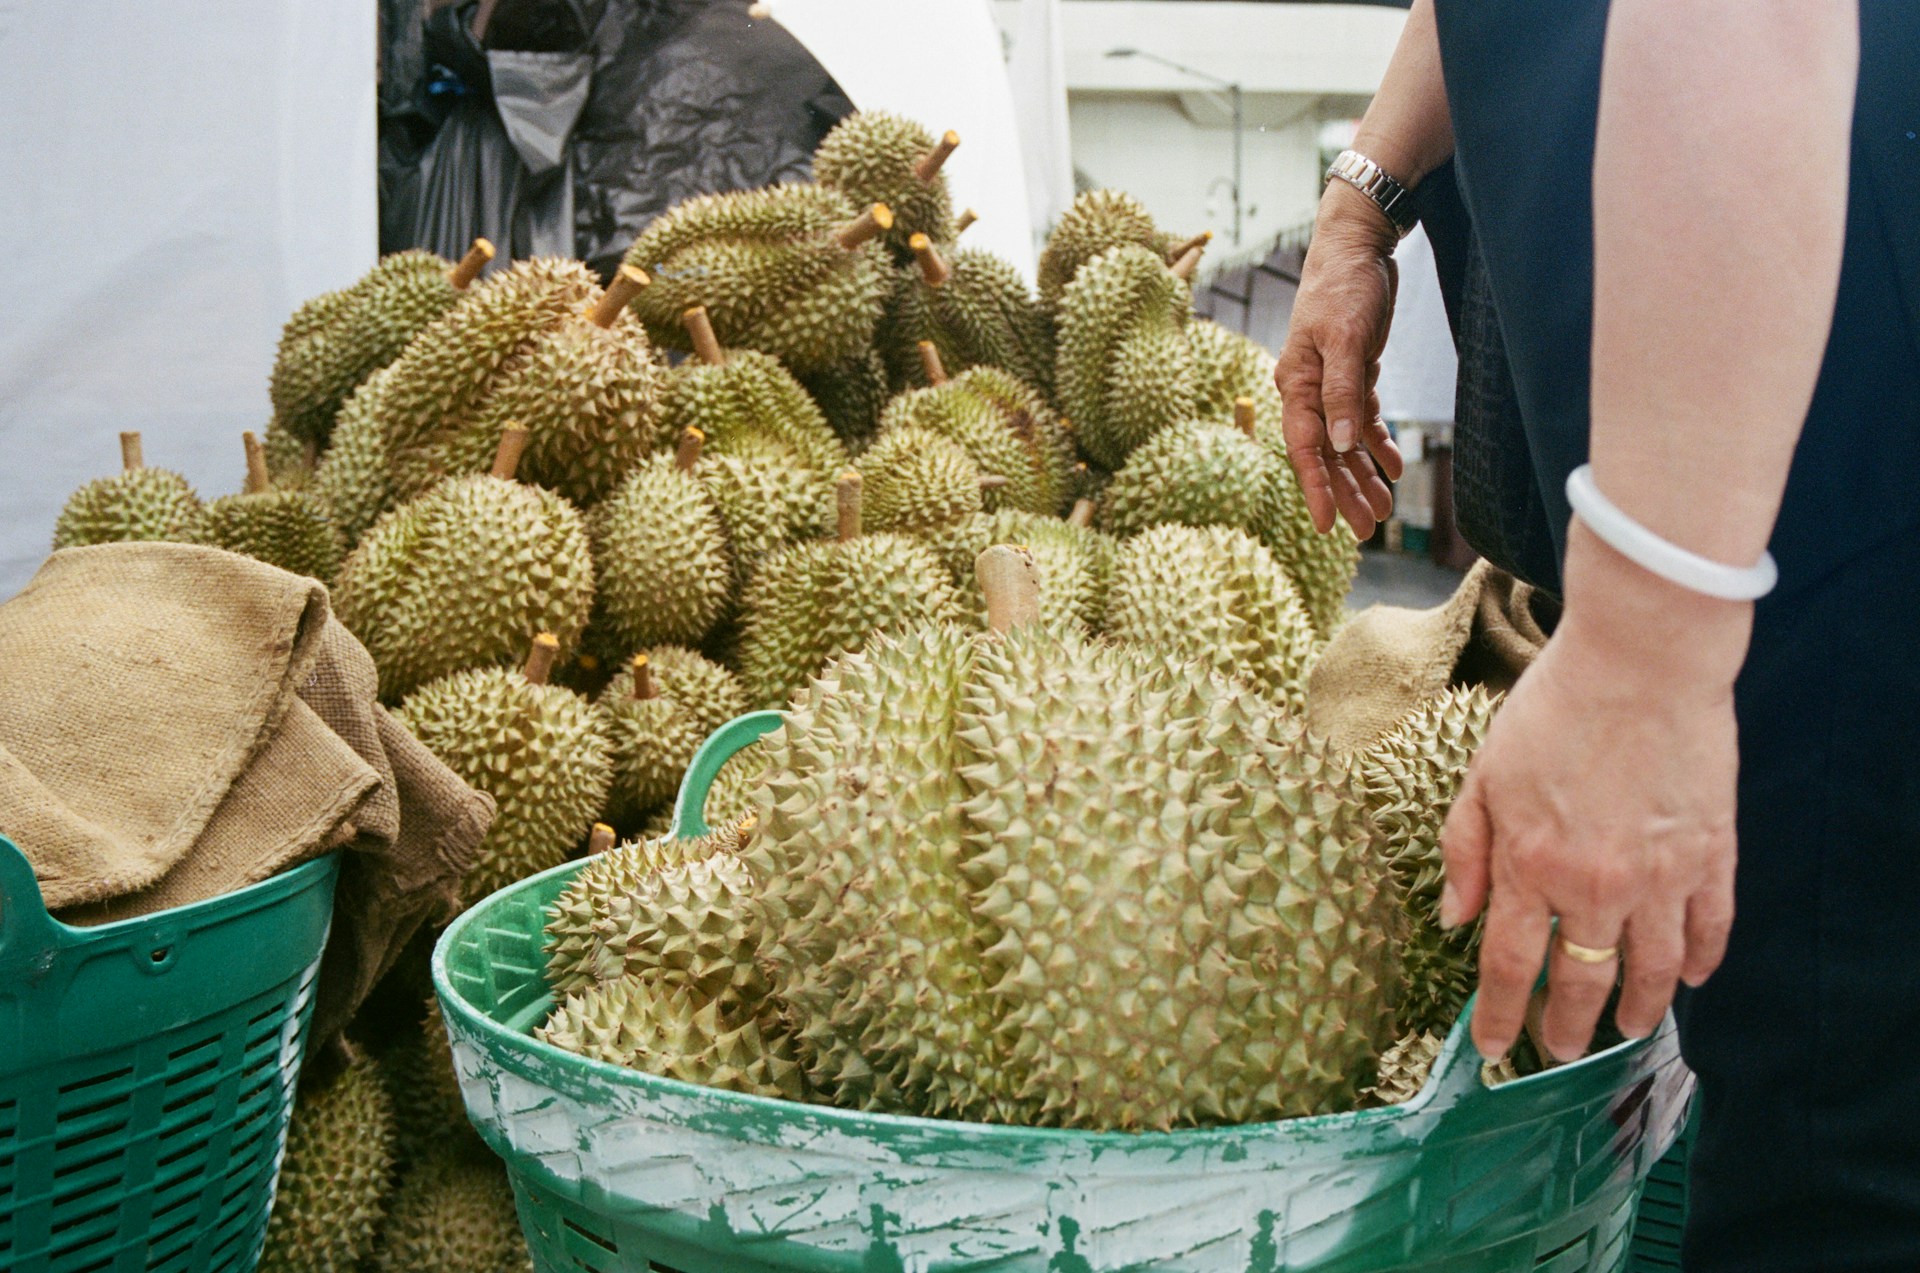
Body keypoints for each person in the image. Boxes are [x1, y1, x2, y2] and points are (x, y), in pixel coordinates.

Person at [1278, 1, 1920, 1266]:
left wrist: (1648, 642)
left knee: (1842, 1149)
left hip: (1826, 427)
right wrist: (1365, 199)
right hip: (1743, 449)